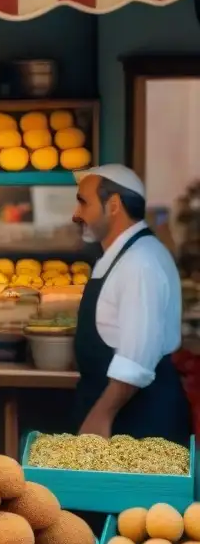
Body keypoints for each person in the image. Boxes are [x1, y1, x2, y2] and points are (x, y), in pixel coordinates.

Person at [70, 164, 190, 444]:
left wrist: (101, 415)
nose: (76, 215)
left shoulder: (139, 263)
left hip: (137, 424)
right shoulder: (120, 256)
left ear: (113, 205)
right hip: (115, 413)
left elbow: (137, 358)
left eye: (83, 203)